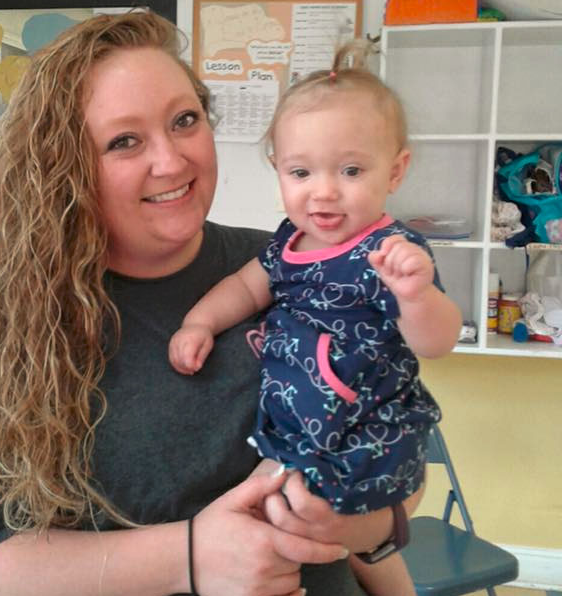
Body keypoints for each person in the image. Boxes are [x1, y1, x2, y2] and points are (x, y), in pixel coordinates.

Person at [0, 11, 406, 596]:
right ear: (64, 169)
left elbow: (387, 464)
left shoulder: (297, 265)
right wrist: (190, 556)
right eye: (124, 141)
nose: (171, 162)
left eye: (184, 120)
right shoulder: (7, 318)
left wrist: (369, 525)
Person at [169, 41, 463, 596]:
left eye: (351, 169)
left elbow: (436, 342)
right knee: (278, 521)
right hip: (296, 429)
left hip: (366, 430)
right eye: (302, 171)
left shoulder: (392, 252)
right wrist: (199, 324)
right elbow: (243, 287)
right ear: (278, 169)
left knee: (336, 532)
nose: (323, 191)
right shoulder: (287, 246)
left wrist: (418, 296)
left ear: (396, 170)